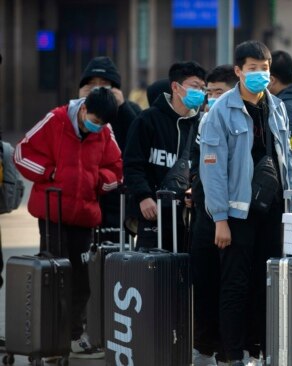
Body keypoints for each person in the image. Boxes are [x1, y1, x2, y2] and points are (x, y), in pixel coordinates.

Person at [199, 40, 292, 366]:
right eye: (252, 68)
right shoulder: (220, 111)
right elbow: (212, 169)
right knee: (235, 285)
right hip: (237, 213)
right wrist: (220, 219)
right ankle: (231, 355)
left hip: (273, 210)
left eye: (264, 69)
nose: (259, 74)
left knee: (266, 282)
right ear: (238, 71)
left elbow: (287, 161)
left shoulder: (277, 107)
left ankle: (260, 350)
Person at [14, 87, 122, 359]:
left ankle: (74, 336)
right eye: (94, 121)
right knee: (53, 277)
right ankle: (49, 337)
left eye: (102, 124)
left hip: (84, 217)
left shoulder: (105, 133)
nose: (96, 128)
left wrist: (98, 181)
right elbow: (21, 154)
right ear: (83, 109)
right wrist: (50, 172)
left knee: (81, 281)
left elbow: (117, 169)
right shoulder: (55, 120)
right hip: (53, 215)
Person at [123, 61, 205, 251]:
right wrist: (143, 196)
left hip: (187, 218)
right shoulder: (147, 120)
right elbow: (132, 163)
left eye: (202, 88)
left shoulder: (202, 125)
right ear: (175, 87)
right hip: (152, 214)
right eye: (194, 87)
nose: (199, 93)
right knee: (152, 274)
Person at [186, 64, 237, 366]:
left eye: (218, 92)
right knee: (204, 286)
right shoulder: (203, 122)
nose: (212, 98)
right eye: (209, 93)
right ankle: (203, 349)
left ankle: (230, 352)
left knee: (231, 289)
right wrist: (193, 184)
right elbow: (194, 162)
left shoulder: (245, 122)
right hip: (205, 219)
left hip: (235, 218)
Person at [78, 56, 141, 242]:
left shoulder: (130, 110)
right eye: (92, 84)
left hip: (117, 197)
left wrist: (121, 107)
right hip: (83, 196)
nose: (98, 89)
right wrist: (81, 102)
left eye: (104, 84)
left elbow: (139, 140)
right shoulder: (77, 110)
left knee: (115, 259)